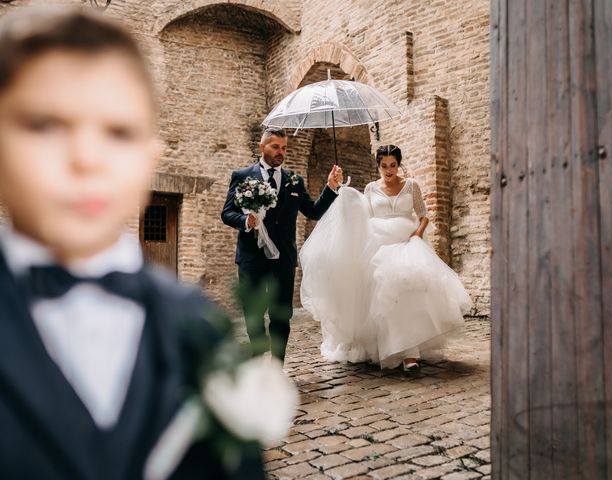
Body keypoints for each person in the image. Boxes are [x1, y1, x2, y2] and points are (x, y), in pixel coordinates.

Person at [0, 7, 264, 479]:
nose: (86, 158)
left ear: (148, 159)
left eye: (118, 132)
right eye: (45, 126)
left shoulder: (200, 326)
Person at [300, 144, 472, 370]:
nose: (389, 170)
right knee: (384, 297)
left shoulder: (411, 186)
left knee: (410, 292)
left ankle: (411, 350)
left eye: (393, 165)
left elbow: (423, 215)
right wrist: (343, 193)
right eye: (384, 166)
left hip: (407, 242)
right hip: (379, 246)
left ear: (398, 165)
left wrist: (418, 234)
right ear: (378, 166)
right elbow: (364, 217)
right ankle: (394, 349)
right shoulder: (371, 188)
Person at [221, 127, 343, 360]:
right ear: (262, 147)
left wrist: (331, 187)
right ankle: (258, 361)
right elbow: (227, 213)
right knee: (253, 314)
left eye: (284, 148)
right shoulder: (242, 176)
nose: (281, 152)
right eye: (275, 146)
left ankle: (278, 367)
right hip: (251, 258)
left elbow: (313, 212)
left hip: (283, 259)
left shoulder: (294, 181)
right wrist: (245, 220)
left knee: (281, 314)